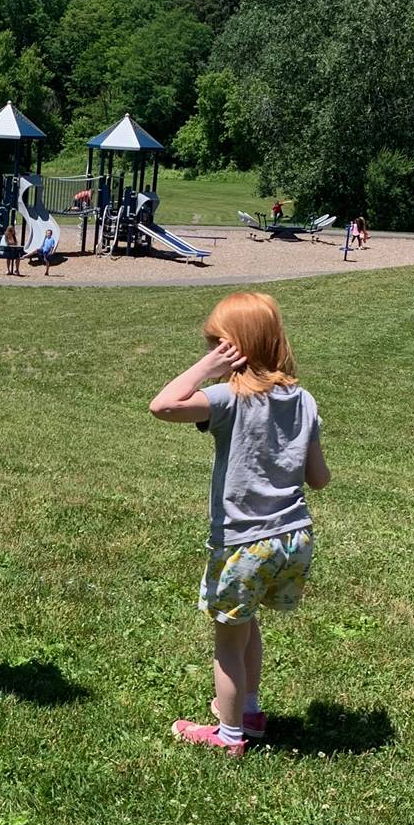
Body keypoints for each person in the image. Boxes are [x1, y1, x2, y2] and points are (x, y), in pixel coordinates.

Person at [148, 290, 330, 755]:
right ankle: (248, 708)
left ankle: (230, 736)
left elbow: (163, 405)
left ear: (232, 349)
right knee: (246, 625)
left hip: (244, 543)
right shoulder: (303, 398)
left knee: (227, 643)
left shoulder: (227, 397)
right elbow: (318, 478)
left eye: (217, 345)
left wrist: (205, 369)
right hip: (293, 539)